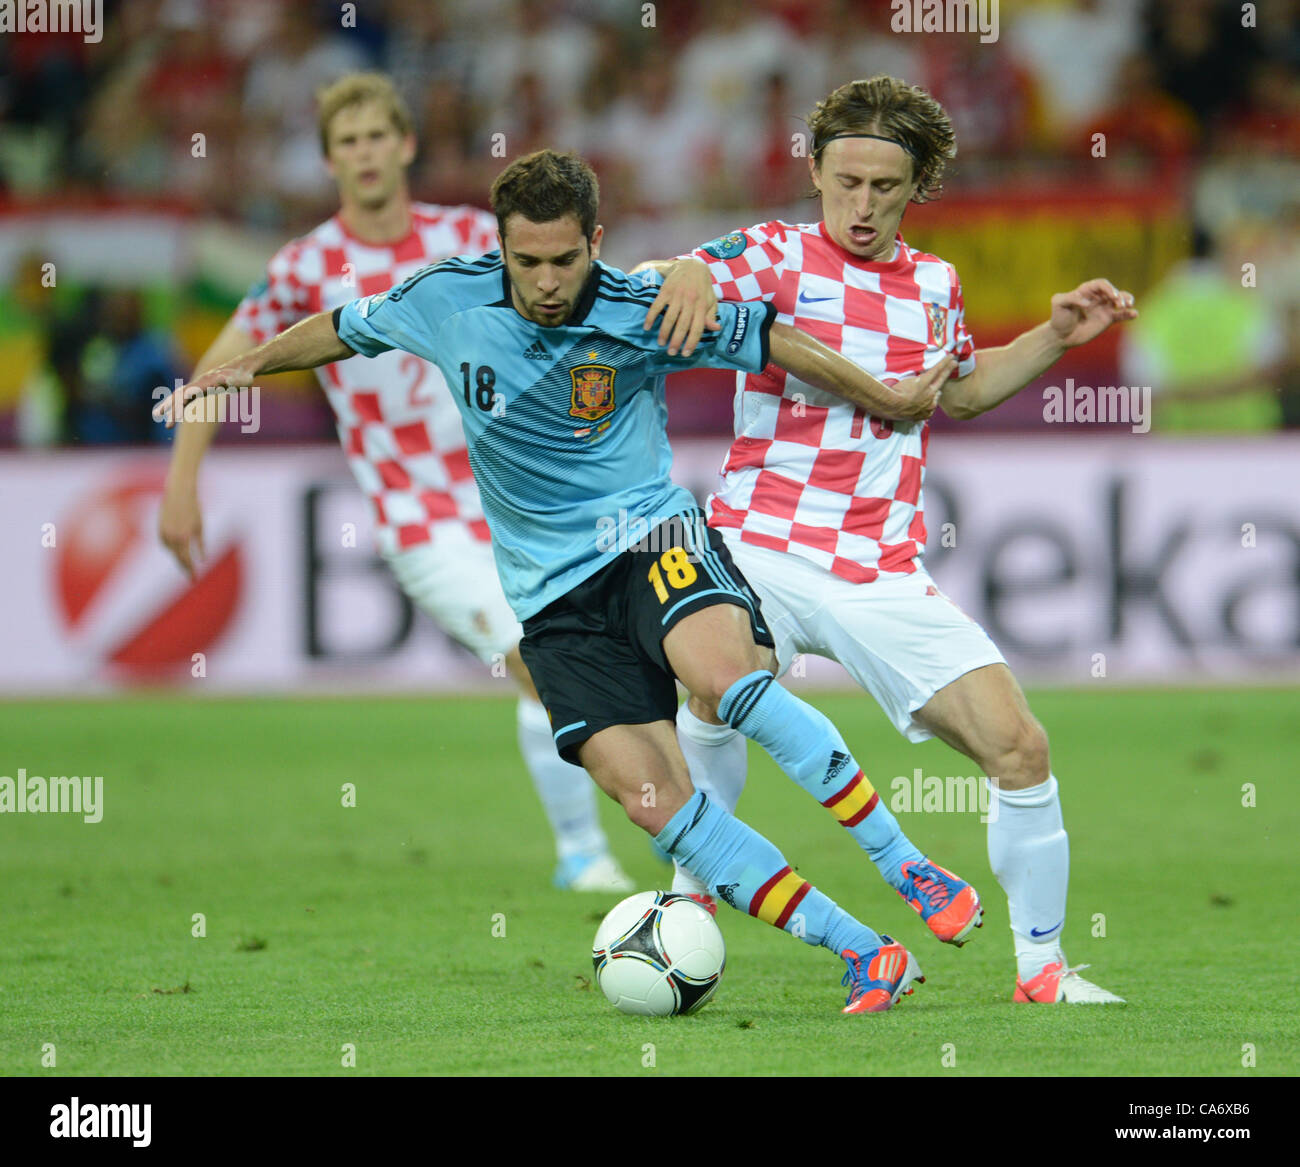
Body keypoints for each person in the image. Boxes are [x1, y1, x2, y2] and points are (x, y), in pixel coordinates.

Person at [155, 148, 975, 1014]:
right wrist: (245, 367)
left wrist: (882, 398)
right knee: (653, 800)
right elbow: (341, 327)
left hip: (651, 538)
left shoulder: (642, 309)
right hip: (550, 601)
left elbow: (770, 336)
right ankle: (864, 950)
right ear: (500, 249)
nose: (546, 282)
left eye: (565, 259)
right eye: (526, 262)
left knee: (725, 679)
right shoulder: (445, 298)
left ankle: (904, 864)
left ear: (597, 241)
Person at [637, 76, 1138, 1004]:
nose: (861, 206)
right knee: (712, 692)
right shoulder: (776, 253)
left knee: (1020, 749)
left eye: (885, 188)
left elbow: (963, 390)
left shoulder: (937, 284)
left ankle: (1043, 971)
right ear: (816, 170)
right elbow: (680, 278)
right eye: (846, 181)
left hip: (876, 566)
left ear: (918, 187)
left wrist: (1056, 338)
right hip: (755, 545)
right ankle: (691, 905)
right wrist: (691, 266)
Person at [157, 73, 634, 893]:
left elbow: (578, 293)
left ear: (406, 144)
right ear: (329, 159)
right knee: (535, 660)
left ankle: (665, 821)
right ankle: (584, 853)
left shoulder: (468, 237)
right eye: (348, 142)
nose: (365, 153)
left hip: (520, 496)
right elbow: (221, 368)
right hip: (418, 518)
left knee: (619, 654)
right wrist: (181, 482)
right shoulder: (306, 265)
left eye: (378, 135)